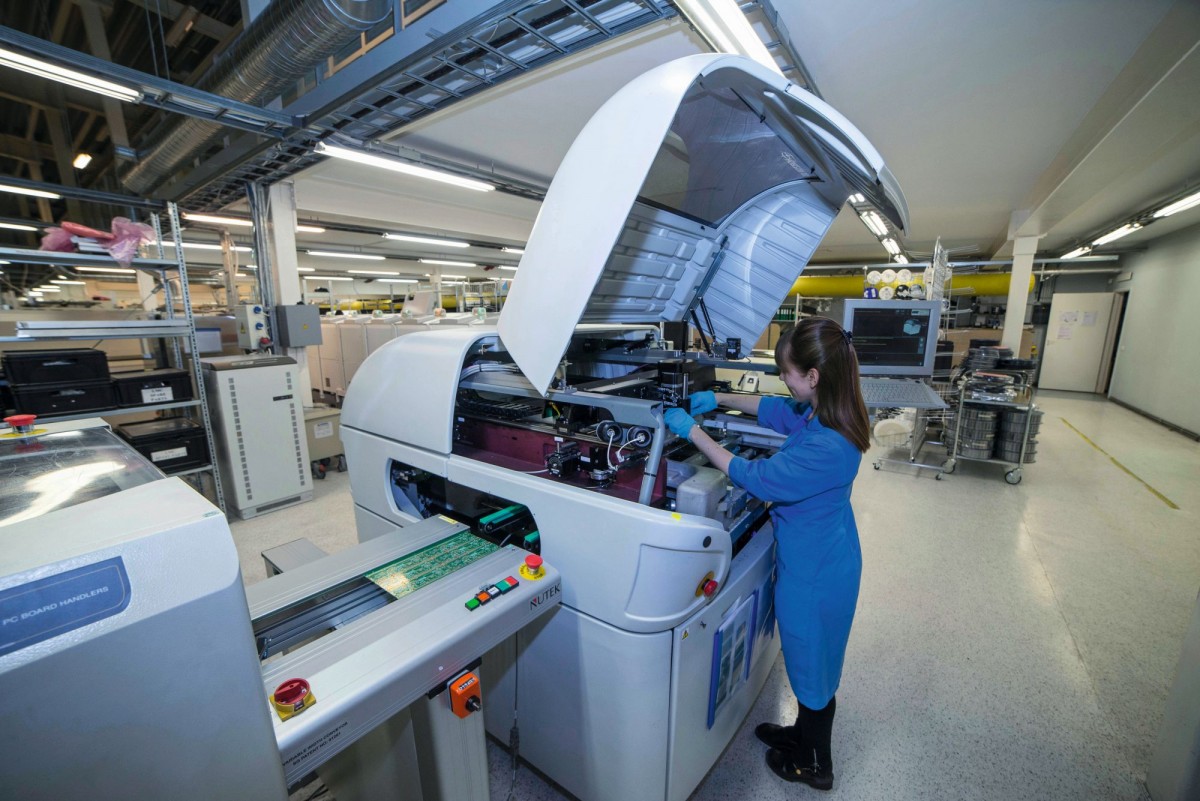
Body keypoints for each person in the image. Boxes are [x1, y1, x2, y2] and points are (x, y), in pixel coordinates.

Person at [663, 317, 870, 791]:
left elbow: (757, 478)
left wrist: (693, 433)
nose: (784, 381)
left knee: (812, 664)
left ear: (812, 376)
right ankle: (802, 735)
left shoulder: (828, 445)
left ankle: (815, 765)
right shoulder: (828, 410)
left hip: (816, 574)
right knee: (812, 661)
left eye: (787, 373)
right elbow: (776, 409)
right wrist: (718, 398)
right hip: (827, 552)